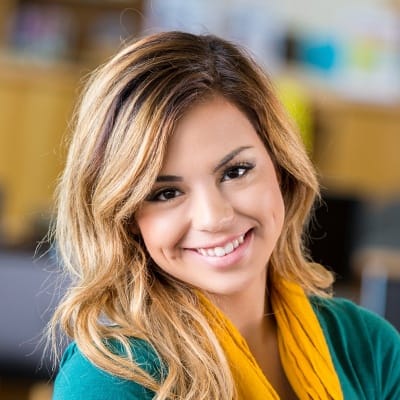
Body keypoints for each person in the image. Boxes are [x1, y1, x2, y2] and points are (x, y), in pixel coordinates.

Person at [51, 31, 400, 400]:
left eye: (235, 171)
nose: (213, 217)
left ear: (280, 167)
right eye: (166, 193)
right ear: (126, 219)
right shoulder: (109, 380)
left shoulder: (369, 347)